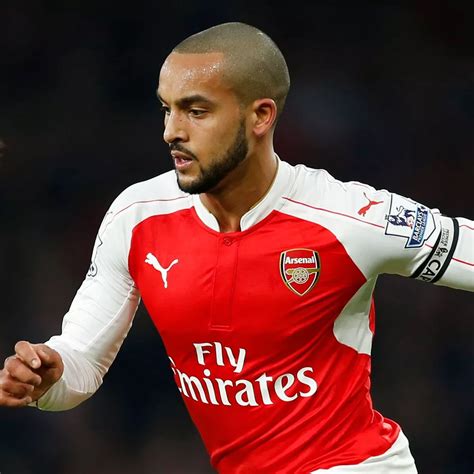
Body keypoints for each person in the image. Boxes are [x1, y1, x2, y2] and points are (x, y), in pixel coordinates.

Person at [0, 22, 472, 473]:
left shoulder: (348, 218)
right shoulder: (137, 217)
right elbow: (81, 359)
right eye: (167, 109)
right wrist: (48, 376)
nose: (171, 131)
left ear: (260, 116)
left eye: (196, 111)